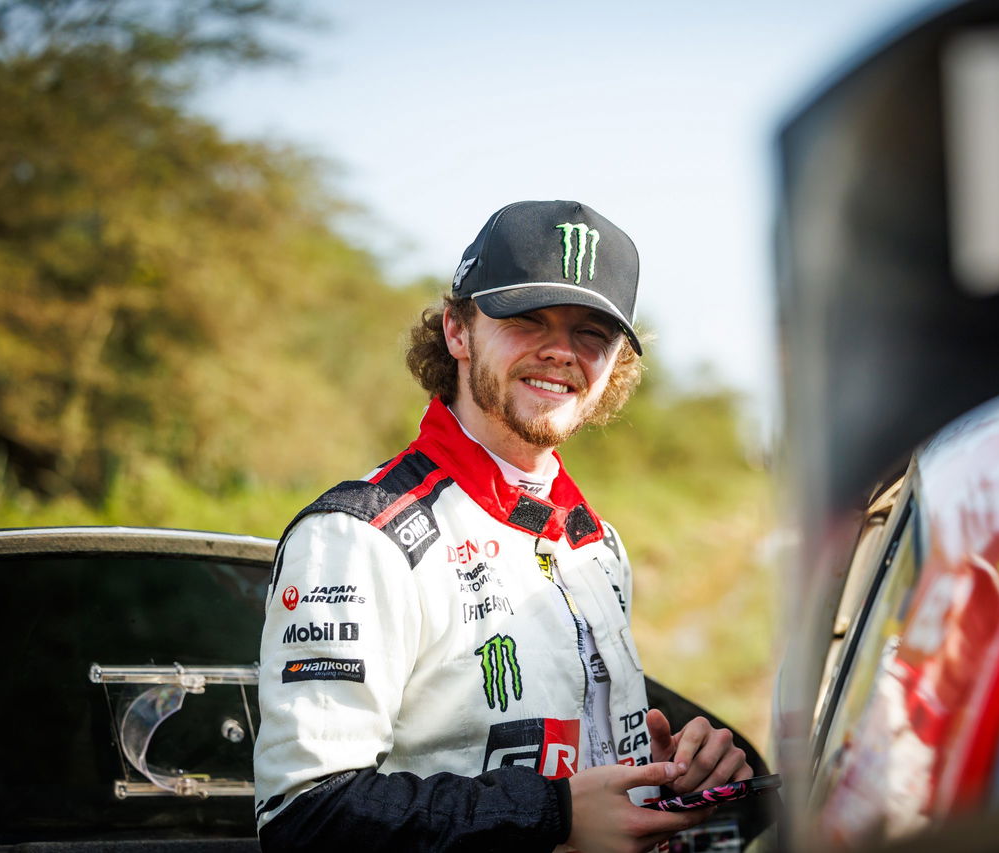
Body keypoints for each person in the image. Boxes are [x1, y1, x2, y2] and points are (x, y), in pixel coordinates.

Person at [253, 199, 751, 852]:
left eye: (592, 333)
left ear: (613, 366)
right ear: (457, 331)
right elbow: (303, 817)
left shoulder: (596, 542)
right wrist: (554, 815)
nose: (561, 352)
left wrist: (660, 775)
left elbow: (586, 782)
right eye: (527, 319)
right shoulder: (357, 537)